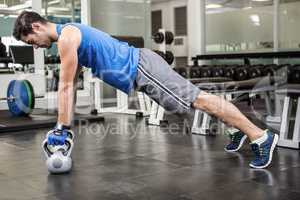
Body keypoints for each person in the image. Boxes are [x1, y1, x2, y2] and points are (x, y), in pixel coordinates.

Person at [13, 11, 278, 169]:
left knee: (199, 100)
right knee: (191, 103)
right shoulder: (71, 34)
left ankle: (259, 136)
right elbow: (74, 77)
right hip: (142, 67)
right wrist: (65, 123)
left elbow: (66, 86)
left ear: (35, 26)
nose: (35, 46)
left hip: (143, 67)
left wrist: (61, 128)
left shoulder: (67, 38)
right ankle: (236, 129)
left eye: (31, 41)